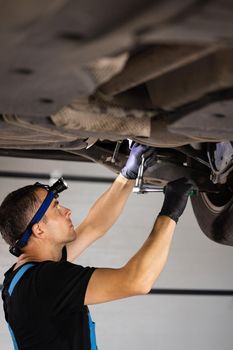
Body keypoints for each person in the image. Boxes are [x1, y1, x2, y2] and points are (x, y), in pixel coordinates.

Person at [0, 143, 195, 350]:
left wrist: (127, 174)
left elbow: (94, 226)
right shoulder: (43, 283)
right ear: (39, 230)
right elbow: (136, 281)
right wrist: (171, 212)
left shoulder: (22, 278)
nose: (68, 211)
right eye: (56, 208)